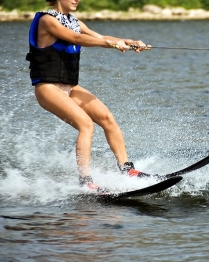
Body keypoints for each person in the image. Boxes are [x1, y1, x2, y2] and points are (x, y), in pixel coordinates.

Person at [26, 0, 149, 191]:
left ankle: (127, 170)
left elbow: (100, 37)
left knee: (107, 118)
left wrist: (128, 42)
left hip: (70, 87)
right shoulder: (47, 20)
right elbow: (77, 39)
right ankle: (85, 181)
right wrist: (111, 43)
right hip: (48, 87)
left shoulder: (76, 22)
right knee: (86, 124)